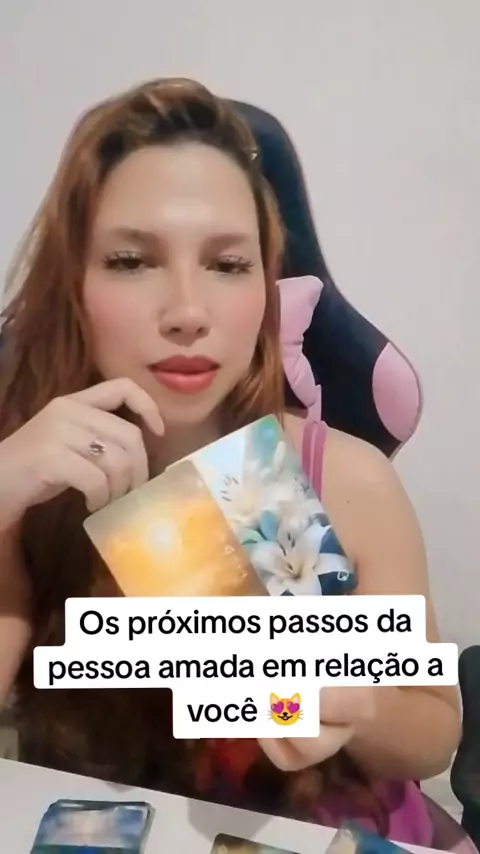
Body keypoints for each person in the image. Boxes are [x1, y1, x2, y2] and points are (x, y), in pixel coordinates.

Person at [0, 77, 461, 847]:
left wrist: (358, 704)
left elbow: (434, 736)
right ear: (73, 286)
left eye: (227, 264)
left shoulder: (338, 475)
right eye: (131, 260)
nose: (188, 311)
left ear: (266, 286)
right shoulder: (35, 478)